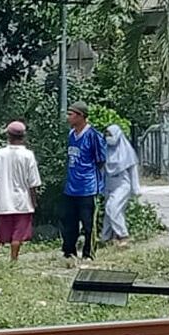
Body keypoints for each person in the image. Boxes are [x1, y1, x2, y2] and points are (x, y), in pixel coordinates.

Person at [0, 121, 42, 262]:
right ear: (23, 136)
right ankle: (13, 259)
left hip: (4, 201)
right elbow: (33, 182)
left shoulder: (0, 154)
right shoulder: (28, 155)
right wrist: (34, 200)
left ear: (8, 135)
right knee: (18, 235)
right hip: (22, 201)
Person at [62, 101, 106, 264]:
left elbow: (101, 160)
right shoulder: (71, 134)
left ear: (80, 116)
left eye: (71, 114)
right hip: (71, 187)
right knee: (70, 222)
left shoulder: (93, 135)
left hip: (88, 187)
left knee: (89, 224)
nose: (68, 117)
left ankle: (88, 253)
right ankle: (69, 251)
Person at [101, 124, 140, 248]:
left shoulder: (127, 151)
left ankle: (123, 235)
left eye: (111, 135)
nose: (108, 138)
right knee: (110, 212)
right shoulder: (105, 150)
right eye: (106, 135)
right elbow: (102, 170)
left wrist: (135, 189)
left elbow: (133, 172)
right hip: (108, 184)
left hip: (122, 184)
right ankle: (107, 238)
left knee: (112, 207)